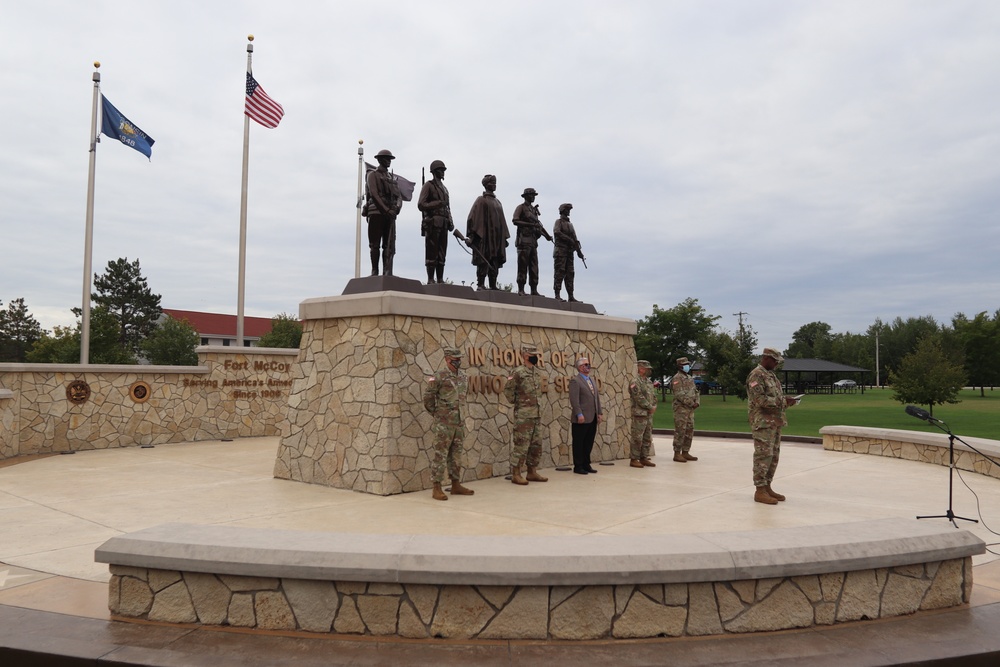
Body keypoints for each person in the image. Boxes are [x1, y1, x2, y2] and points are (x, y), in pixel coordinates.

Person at [422, 346, 476, 501]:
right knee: (440, 455)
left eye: (459, 359)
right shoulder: (439, 376)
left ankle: (455, 484)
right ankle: (436, 487)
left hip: (458, 423)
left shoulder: (463, 376)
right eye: (455, 359)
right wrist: (437, 414)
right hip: (444, 423)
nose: (458, 361)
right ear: (447, 359)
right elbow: (428, 397)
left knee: (456, 455)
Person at [746, 347, 798, 505]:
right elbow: (760, 400)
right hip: (763, 423)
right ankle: (759, 490)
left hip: (774, 422)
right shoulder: (756, 375)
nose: (776, 364)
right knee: (763, 456)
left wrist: (787, 400)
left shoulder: (771, 376)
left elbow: (776, 397)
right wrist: (783, 401)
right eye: (775, 361)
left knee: (773, 456)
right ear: (766, 358)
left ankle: (767, 486)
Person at [502, 344, 548, 485]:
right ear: (526, 356)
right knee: (521, 445)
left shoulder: (536, 372)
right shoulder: (518, 372)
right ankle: (516, 474)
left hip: (536, 415)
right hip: (523, 417)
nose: (536, 358)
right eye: (534, 355)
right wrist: (519, 403)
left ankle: (531, 472)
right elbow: (508, 391)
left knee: (536, 445)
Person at [465, 174, 510, 290]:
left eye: (495, 183)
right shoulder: (481, 200)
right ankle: (480, 284)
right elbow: (473, 218)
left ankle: (493, 284)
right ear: (485, 185)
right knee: (484, 259)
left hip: (496, 238)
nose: (494, 185)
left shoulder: (498, 202)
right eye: (491, 183)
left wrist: (504, 238)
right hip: (485, 237)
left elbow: (502, 221)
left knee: (495, 260)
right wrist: (472, 236)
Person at [365, 149, 403, 276]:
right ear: (380, 160)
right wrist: (386, 210)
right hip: (377, 212)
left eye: (390, 159)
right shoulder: (372, 175)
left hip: (390, 214)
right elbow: (374, 194)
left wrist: (397, 208)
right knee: (375, 244)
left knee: (388, 245)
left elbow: (399, 197)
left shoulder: (392, 178)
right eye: (387, 159)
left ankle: (387, 271)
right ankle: (374, 270)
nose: (389, 161)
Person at [417, 160, 454, 284]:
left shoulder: (445, 189)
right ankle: (431, 278)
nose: (443, 172)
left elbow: (447, 207)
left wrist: (450, 220)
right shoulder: (428, 185)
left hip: (443, 223)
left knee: (442, 252)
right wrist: (437, 203)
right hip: (433, 222)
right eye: (440, 170)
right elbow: (421, 204)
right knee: (432, 251)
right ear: (434, 172)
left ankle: (440, 278)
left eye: (443, 170)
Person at [511, 188, 552, 296]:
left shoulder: (533, 210)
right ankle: (521, 289)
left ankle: (534, 289)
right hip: (523, 241)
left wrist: (547, 236)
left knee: (534, 267)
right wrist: (530, 225)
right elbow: (515, 220)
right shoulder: (521, 207)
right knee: (522, 266)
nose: (533, 197)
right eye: (531, 195)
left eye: (534, 195)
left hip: (533, 242)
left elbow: (538, 225)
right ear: (526, 196)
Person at [568, 356, 603, 474]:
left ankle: (586, 464)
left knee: (588, 442)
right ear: (580, 367)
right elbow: (574, 400)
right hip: (581, 418)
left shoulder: (591, 380)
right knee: (579, 443)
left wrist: (599, 412)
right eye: (586, 365)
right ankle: (578, 466)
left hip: (592, 417)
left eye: (589, 364)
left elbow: (596, 398)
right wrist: (579, 414)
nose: (588, 366)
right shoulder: (575, 381)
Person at [628, 359, 658, 468]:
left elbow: (653, 396)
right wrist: (649, 407)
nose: (649, 371)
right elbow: (638, 397)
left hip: (648, 414)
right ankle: (634, 459)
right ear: (641, 369)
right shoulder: (635, 382)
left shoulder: (648, 382)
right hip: (639, 414)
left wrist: (654, 405)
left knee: (647, 437)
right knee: (637, 437)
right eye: (647, 369)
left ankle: (644, 457)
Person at [552, 203, 585, 302]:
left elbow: (575, 239)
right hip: (560, 251)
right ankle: (557, 295)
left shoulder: (570, 225)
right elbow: (557, 232)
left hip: (569, 252)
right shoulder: (558, 222)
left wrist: (579, 252)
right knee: (559, 272)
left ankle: (571, 296)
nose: (569, 211)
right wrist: (568, 239)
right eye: (567, 210)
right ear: (563, 210)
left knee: (570, 273)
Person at [671, 356, 700, 463]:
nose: (687, 366)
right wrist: (691, 403)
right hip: (681, 409)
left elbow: (695, 391)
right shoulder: (677, 378)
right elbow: (679, 394)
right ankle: (677, 453)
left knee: (689, 430)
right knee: (680, 431)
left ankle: (685, 451)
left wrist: (697, 402)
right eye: (685, 365)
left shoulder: (689, 378)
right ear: (680, 366)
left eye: (687, 364)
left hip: (690, 410)